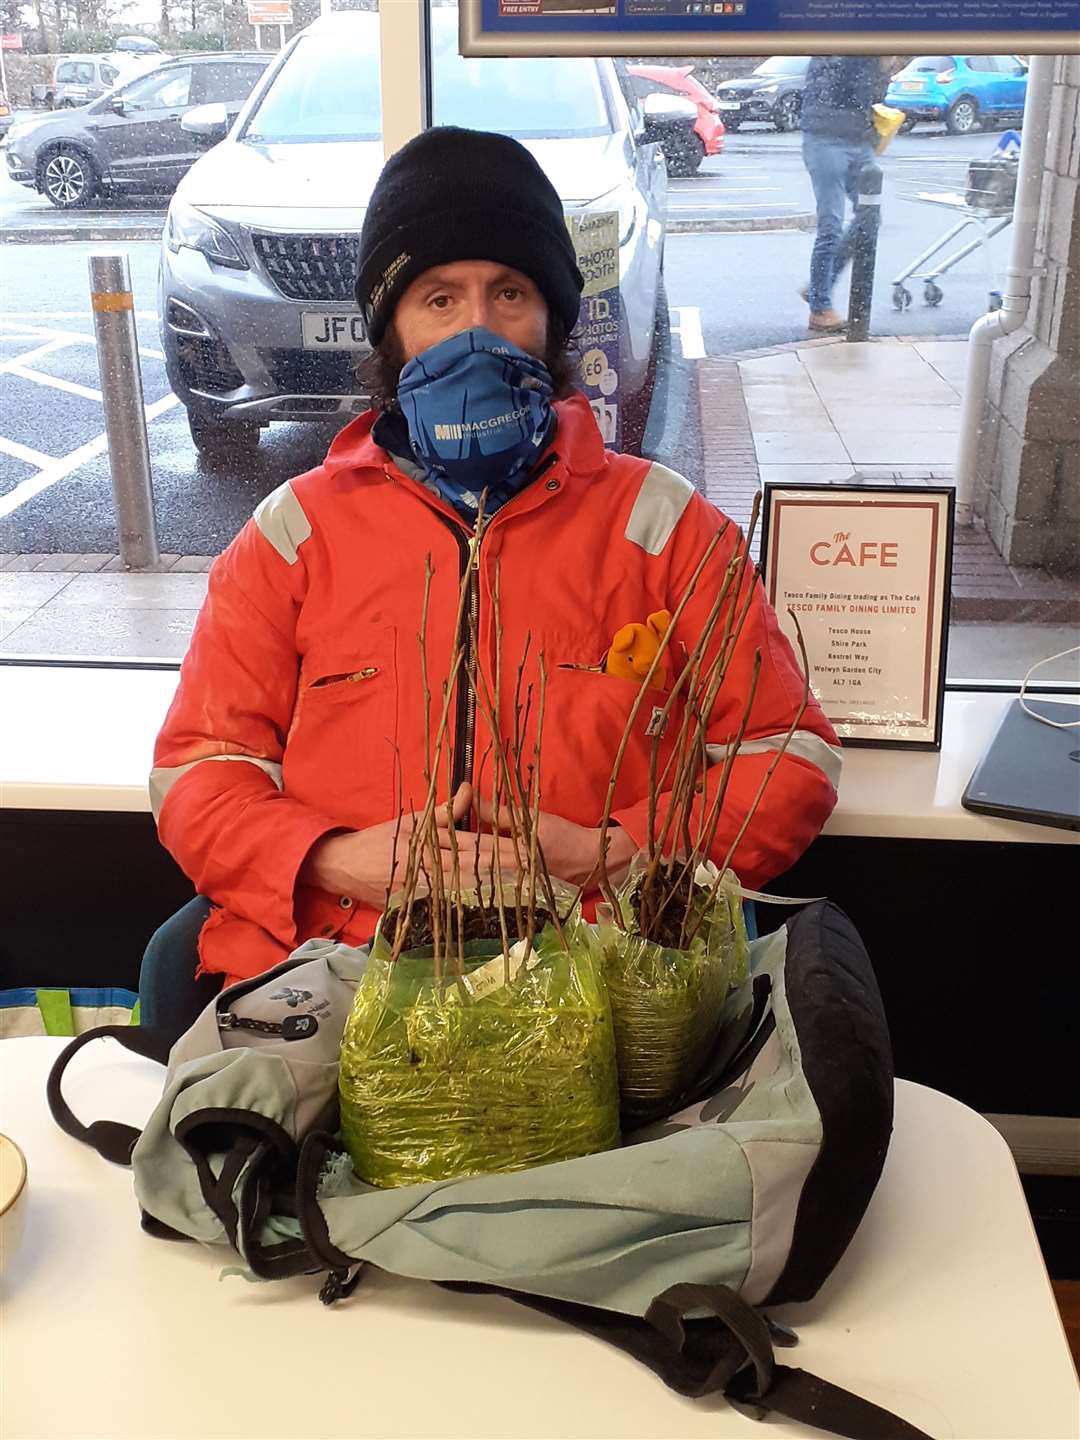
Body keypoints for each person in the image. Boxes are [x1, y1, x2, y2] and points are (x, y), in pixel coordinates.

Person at [142, 126, 843, 1032]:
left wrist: (622, 851)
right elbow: (200, 775)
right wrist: (331, 857)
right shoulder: (293, 538)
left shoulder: (667, 531)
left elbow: (790, 759)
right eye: (439, 298)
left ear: (551, 316)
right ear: (390, 327)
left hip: (598, 991)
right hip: (337, 988)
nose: (476, 329)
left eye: (508, 293)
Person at [800, 55, 889, 332]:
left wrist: (880, 68)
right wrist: (874, 62)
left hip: (858, 141)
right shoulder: (838, 49)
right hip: (826, 141)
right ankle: (819, 308)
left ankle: (819, 285)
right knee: (831, 226)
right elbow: (837, 86)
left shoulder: (865, 57)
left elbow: (869, 95)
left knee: (870, 219)